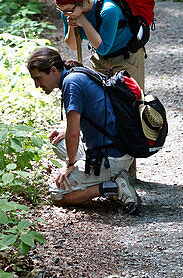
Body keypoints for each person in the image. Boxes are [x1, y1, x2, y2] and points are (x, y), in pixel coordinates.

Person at [26, 46, 141, 214]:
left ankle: (112, 186)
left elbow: (74, 133)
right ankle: (111, 176)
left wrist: (69, 165)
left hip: (111, 155)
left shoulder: (71, 84)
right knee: (59, 143)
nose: (37, 85)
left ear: (52, 71)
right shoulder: (75, 74)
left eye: (38, 78)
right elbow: (88, 120)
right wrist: (68, 135)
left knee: (57, 194)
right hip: (116, 146)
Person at [53, 0, 146, 91]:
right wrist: (72, 26)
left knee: (130, 102)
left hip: (127, 57)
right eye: (61, 10)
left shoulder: (108, 10)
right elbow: (73, 46)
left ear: (80, 2)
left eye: (68, 10)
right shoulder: (69, 11)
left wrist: (84, 23)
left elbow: (103, 48)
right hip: (100, 60)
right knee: (103, 102)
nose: (66, 14)